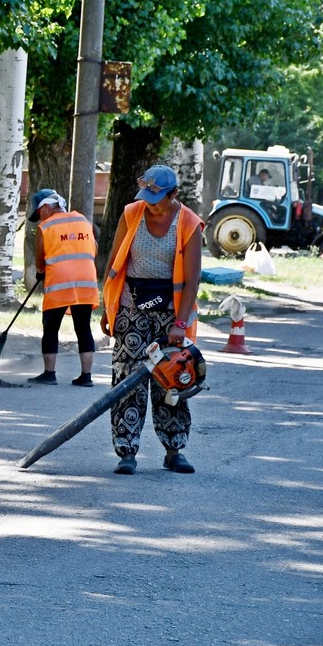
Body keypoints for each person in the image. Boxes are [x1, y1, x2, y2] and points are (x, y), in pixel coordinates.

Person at [100, 164, 203, 475]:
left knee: (171, 380)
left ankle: (174, 450)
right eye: (146, 195)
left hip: (171, 315)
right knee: (127, 381)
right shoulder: (132, 213)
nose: (150, 202)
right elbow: (116, 261)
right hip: (132, 310)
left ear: (174, 194)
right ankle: (126, 452)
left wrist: (180, 324)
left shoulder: (188, 222)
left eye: (156, 197)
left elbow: (192, 279)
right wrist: (108, 310)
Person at [27, 188, 100, 387]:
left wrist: (41, 271)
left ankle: (49, 373)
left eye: (39, 212)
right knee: (83, 328)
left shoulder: (46, 226)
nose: (39, 216)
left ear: (47, 207)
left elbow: (41, 260)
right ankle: (86, 376)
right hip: (86, 281)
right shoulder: (83, 220)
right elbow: (95, 248)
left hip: (59, 283)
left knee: (51, 328)